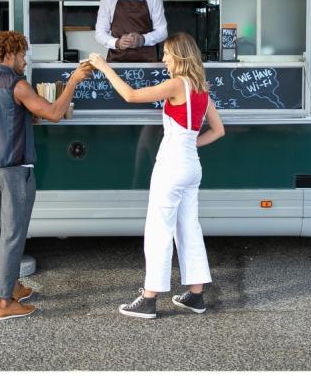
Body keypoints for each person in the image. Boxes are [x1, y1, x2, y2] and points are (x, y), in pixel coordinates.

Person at [88, 32, 225, 319]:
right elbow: (218, 131)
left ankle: (149, 298)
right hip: (191, 164)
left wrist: (104, 67)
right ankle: (195, 296)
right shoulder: (201, 88)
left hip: (172, 165)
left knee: (158, 230)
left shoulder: (176, 84)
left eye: (166, 53)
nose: (163, 59)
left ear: (179, 55)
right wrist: (190, 143)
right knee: (189, 228)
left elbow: (130, 95)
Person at [0, 31, 91, 320]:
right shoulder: (17, 84)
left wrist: (27, 117)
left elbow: (2, 119)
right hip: (15, 169)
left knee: (9, 230)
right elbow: (53, 112)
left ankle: (12, 286)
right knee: (14, 234)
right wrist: (73, 82)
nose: (25, 60)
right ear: (9, 54)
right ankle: (4, 303)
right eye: (22, 54)